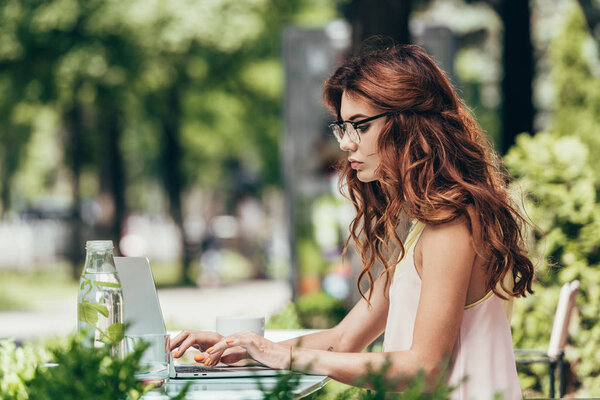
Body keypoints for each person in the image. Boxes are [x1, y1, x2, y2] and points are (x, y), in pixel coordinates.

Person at [170, 43, 534, 400]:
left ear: (408, 123)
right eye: (342, 126)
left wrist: (290, 358)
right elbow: (345, 339)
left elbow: (424, 370)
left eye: (359, 125)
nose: (345, 143)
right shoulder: (425, 227)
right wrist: (245, 348)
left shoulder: (452, 226)